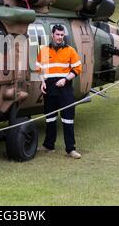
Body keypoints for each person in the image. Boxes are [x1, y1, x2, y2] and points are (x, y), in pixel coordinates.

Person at [36, 24, 82, 158]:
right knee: (50, 118)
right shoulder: (44, 51)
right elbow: (39, 68)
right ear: (52, 34)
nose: (60, 37)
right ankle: (48, 146)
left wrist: (66, 79)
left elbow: (77, 69)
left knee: (68, 119)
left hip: (65, 89)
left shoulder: (70, 50)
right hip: (49, 89)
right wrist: (42, 82)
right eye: (57, 34)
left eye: (62, 35)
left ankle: (70, 149)